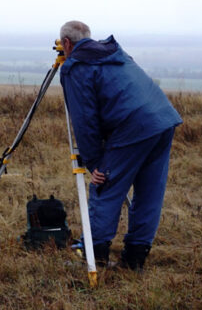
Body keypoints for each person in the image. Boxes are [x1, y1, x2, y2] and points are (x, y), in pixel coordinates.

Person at [58, 20, 183, 271]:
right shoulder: (115, 52)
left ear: (67, 44)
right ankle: (134, 259)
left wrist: (94, 164)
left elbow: (85, 120)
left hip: (132, 126)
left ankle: (97, 259)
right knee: (149, 193)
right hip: (163, 119)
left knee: (104, 185)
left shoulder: (78, 67)